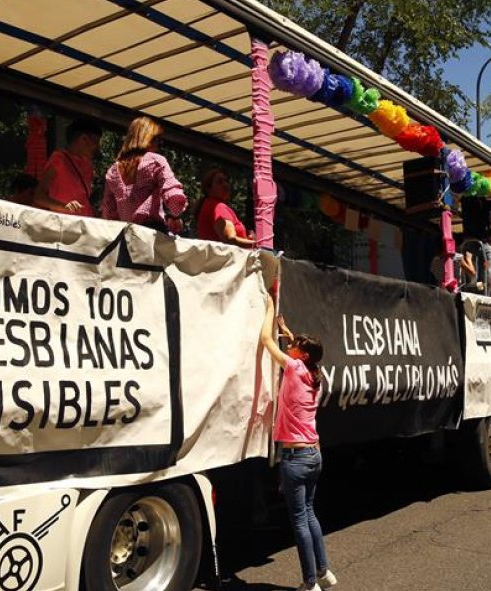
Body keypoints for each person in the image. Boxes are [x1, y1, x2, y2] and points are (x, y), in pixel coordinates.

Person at [259, 294, 336, 591]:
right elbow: (299, 354)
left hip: (295, 458)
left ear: (301, 356)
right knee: (310, 513)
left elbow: (266, 340)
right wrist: (290, 333)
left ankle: (310, 583)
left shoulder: (292, 368)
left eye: (293, 347)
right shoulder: (316, 375)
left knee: (300, 520)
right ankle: (325, 572)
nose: (289, 347)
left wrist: (268, 308)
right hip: (314, 454)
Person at [101, 116, 187, 233]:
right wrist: (175, 216)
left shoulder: (112, 171)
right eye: (157, 139)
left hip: (125, 234)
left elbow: (108, 211)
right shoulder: (155, 161)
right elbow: (173, 195)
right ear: (147, 138)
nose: (158, 145)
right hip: (151, 233)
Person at [32, 118, 102, 216]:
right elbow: (39, 197)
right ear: (83, 139)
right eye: (96, 142)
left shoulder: (88, 165)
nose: (98, 148)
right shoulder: (58, 159)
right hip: (64, 225)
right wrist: (64, 207)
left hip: (83, 224)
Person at [459, 167, 491, 296]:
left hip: (476, 241)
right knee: (480, 274)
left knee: (480, 274)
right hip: (476, 241)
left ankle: (481, 295)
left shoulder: (472, 200)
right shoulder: (476, 201)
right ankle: (479, 296)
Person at [195, 168, 255, 247]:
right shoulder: (217, 206)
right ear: (208, 189)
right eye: (219, 182)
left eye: (226, 181)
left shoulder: (208, 205)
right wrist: (257, 245)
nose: (225, 185)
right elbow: (231, 239)